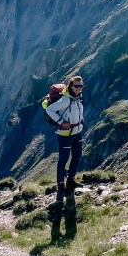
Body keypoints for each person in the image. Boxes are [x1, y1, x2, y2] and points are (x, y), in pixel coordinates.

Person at [45, 75, 85, 204]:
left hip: (77, 132)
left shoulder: (77, 98)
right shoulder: (66, 100)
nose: (79, 88)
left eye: (81, 86)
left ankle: (71, 181)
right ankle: (61, 185)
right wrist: (61, 121)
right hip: (65, 134)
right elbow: (50, 109)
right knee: (63, 159)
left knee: (77, 156)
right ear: (71, 86)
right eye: (76, 86)